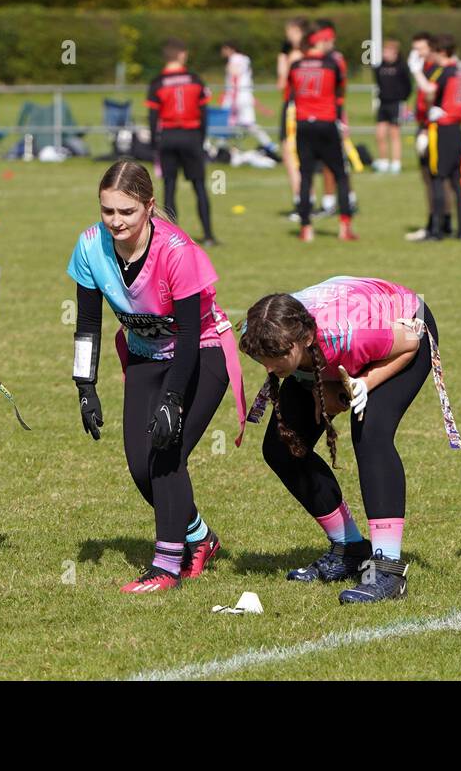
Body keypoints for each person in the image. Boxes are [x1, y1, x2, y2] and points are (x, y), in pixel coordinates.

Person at [67, 159, 246, 593]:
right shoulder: (90, 246)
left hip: (199, 353)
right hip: (146, 354)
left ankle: (166, 566)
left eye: (126, 212)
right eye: (108, 210)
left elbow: (188, 336)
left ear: (148, 207)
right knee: (140, 467)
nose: (116, 221)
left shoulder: (177, 251)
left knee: (167, 453)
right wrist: (85, 385)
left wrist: (173, 400)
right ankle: (200, 537)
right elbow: (88, 323)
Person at [239, 277, 453, 603]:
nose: (268, 366)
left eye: (275, 357)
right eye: (262, 358)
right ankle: (349, 549)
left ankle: (388, 570)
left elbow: (411, 341)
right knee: (281, 448)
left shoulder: (347, 334)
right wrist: (319, 386)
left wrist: (364, 383)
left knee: (370, 434)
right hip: (328, 347)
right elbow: (288, 359)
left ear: (304, 338)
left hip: (404, 328)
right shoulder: (261, 333)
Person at [286, 23, 357, 242]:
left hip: (304, 123)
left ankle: (306, 227)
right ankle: (344, 226)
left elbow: (290, 92)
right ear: (319, 41)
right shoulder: (331, 64)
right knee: (341, 175)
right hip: (326, 123)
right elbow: (340, 92)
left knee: (306, 176)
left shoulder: (296, 65)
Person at [146, 39, 217, 247]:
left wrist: (154, 143)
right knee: (199, 187)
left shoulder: (157, 82)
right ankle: (209, 235)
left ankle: (171, 238)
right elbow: (204, 113)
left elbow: (152, 117)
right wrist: (201, 139)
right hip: (191, 135)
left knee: (169, 187)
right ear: (181, 55)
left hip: (168, 136)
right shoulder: (195, 79)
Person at [407, 32, 461, 241]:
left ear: (440, 51)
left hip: (442, 128)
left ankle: (437, 230)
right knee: (456, 182)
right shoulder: (460, 70)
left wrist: (415, 72)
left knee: (438, 178)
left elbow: (430, 91)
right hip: (456, 128)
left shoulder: (445, 70)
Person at [219, 40, 276, 158]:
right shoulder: (245, 59)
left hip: (237, 96)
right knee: (243, 124)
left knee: (230, 122)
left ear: (229, 49)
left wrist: (230, 97)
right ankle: (268, 143)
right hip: (244, 95)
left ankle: (268, 143)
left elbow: (234, 75)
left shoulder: (234, 59)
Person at [277, 17, 308, 218]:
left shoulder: (295, 55)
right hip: (303, 107)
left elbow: (282, 82)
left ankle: (302, 202)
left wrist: (282, 60)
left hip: (293, 107)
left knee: (292, 155)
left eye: (291, 31)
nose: (288, 36)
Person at [372, 39, 412, 174]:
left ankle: (396, 163)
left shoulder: (401, 67)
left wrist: (403, 99)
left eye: (389, 51)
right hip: (383, 103)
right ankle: (383, 161)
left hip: (396, 103)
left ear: (395, 53)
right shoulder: (379, 68)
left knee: (394, 133)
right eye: (384, 51)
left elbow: (408, 86)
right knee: (380, 134)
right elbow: (378, 83)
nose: (386, 54)